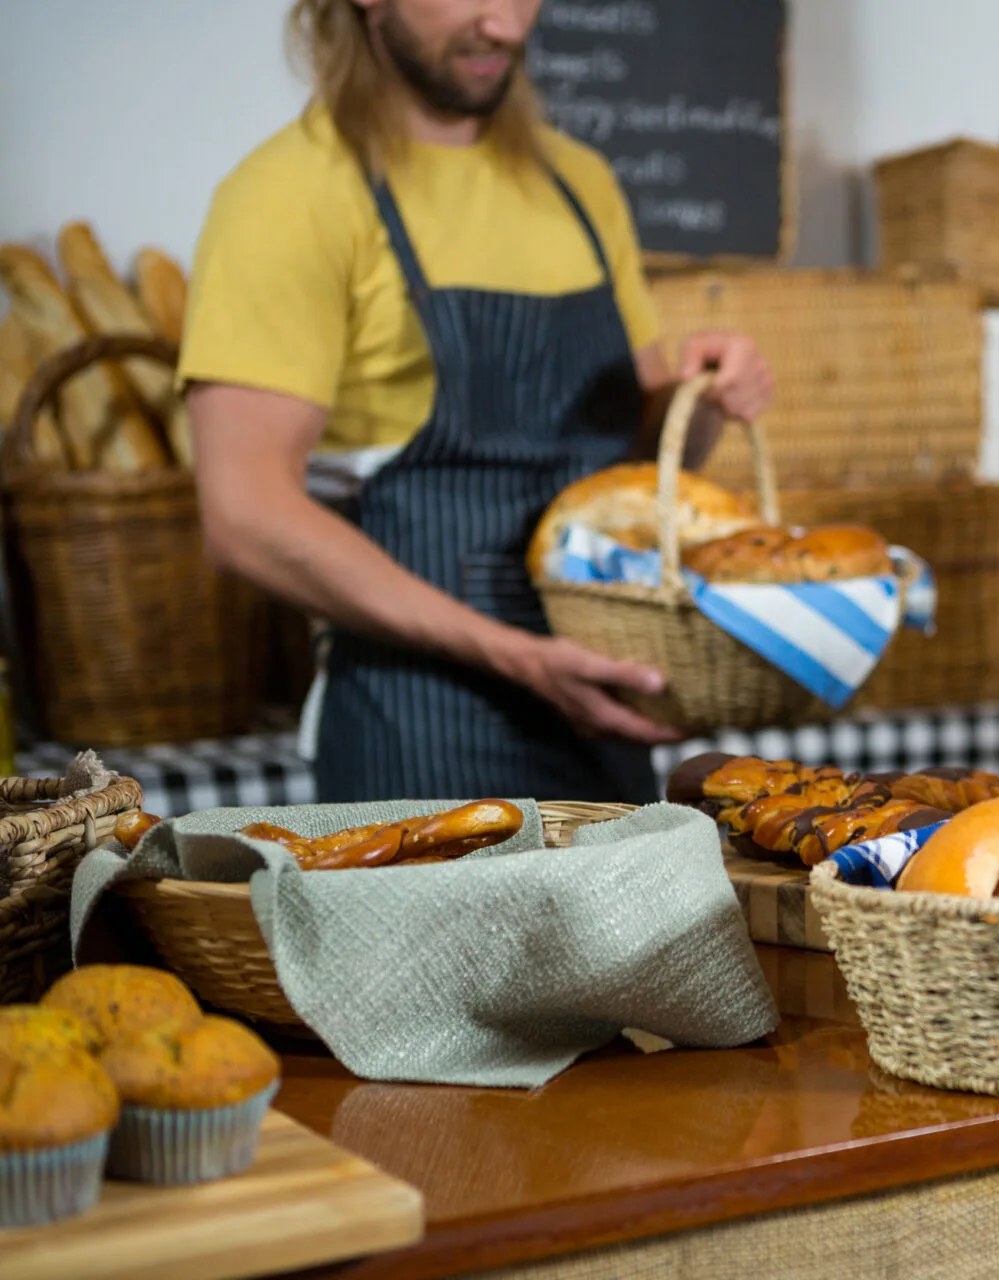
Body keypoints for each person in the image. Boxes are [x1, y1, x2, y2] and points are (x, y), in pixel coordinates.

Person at [181, 0, 772, 804]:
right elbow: (244, 514)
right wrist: (519, 656)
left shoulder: (578, 185)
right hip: (416, 737)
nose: (506, 24)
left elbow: (637, 459)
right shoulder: (289, 195)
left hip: (603, 723)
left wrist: (707, 395)